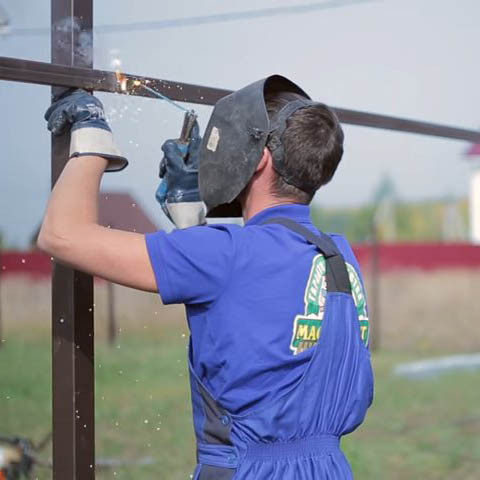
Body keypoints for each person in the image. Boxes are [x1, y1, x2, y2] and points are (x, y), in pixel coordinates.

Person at [39, 75, 374, 479]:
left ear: (261, 158)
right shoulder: (337, 255)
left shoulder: (223, 255)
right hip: (329, 468)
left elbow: (62, 234)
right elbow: (243, 309)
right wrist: (189, 215)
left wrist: (91, 135)